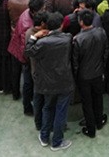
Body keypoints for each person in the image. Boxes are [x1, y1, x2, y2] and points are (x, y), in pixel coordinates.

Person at [25, 11, 74, 151]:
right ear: (61, 25)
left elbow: (28, 52)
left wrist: (34, 37)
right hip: (64, 81)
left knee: (47, 108)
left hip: (46, 82)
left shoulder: (42, 43)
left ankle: (44, 137)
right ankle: (57, 142)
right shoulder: (67, 39)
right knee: (61, 111)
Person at [72, 9, 109, 139]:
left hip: (84, 76)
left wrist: (76, 76)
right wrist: (103, 67)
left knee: (87, 102)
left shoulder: (78, 39)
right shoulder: (101, 32)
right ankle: (99, 121)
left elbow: (75, 62)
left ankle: (90, 128)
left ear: (81, 22)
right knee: (98, 98)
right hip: (98, 72)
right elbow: (106, 51)